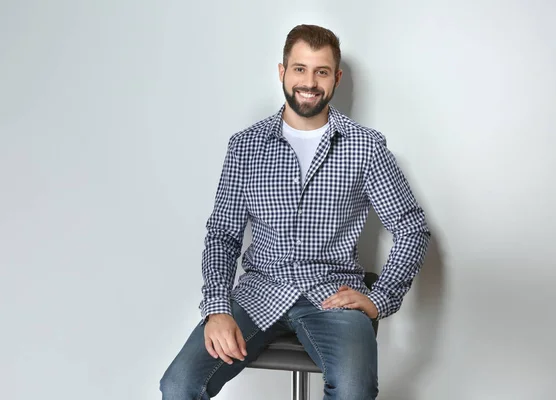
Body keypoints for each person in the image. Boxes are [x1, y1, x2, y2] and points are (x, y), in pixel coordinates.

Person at [160, 24, 430, 400]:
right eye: (300, 68)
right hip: (258, 291)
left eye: (321, 71)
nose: (309, 81)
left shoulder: (366, 147)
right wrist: (218, 308)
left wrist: (380, 297)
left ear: (335, 78)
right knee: (178, 385)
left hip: (333, 294)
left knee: (354, 389)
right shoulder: (246, 147)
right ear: (282, 72)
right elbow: (222, 233)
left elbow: (411, 228)